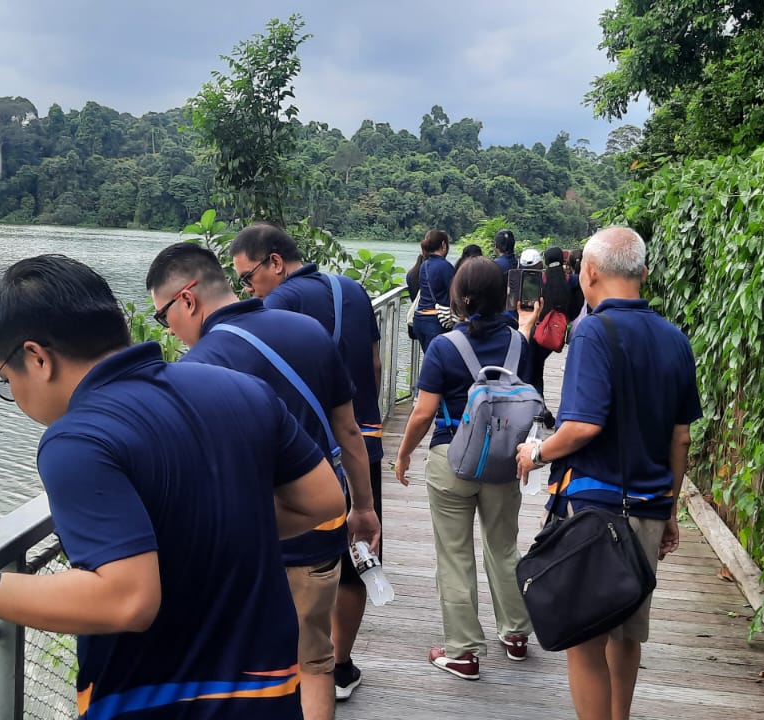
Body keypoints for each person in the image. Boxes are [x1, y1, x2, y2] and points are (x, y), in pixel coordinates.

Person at [0, 254, 345, 720]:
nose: (12, 393)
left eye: (5, 378)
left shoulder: (77, 439)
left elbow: (128, 600)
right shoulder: (240, 388)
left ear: (37, 358)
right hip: (271, 698)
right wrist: (201, 534)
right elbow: (324, 499)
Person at [148, 242, 379, 720]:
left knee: (247, 671)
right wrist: (363, 507)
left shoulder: (192, 371)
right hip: (322, 529)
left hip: (253, 544)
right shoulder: (308, 330)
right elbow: (348, 430)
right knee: (314, 663)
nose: (167, 328)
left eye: (162, 316)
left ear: (187, 300)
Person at [515, 227, 701, 720]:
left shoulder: (594, 330)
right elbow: (680, 438)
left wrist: (537, 452)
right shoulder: (675, 339)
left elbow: (580, 426)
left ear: (590, 272)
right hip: (648, 509)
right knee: (627, 633)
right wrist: (670, 511)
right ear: (643, 273)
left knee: (586, 641)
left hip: (594, 513)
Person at [226, 224, 384, 702]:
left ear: (275, 262)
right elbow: (374, 367)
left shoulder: (276, 307)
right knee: (358, 557)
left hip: (305, 462)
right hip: (362, 444)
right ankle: (340, 665)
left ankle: (296, 669)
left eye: (248, 277)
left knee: (296, 566)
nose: (248, 290)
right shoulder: (353, 291)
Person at [393, 257, 539, 681]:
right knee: (504, 546)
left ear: (457, 298)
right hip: (503, 463)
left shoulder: (442, 346)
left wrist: (402, 455)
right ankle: (515, 634)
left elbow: (422, 414)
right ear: (502, 298)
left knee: (455, 556)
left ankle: (462, 652)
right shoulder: (518, 344)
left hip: (452, 461)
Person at [523, 246, 575, 396]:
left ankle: (536, 403)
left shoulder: (541, 279)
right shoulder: (570, 280)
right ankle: (540, 405)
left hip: (539, 330)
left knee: (534, 370)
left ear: (545, 261)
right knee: (539, 367)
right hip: (557, 332)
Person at [405, 229, 454, 352]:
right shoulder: (445, 266)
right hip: (436, 322)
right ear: (443, 245)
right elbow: (455, 292)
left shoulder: (424, 266)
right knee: (439, 363)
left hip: (419, 320)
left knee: (431, 360)